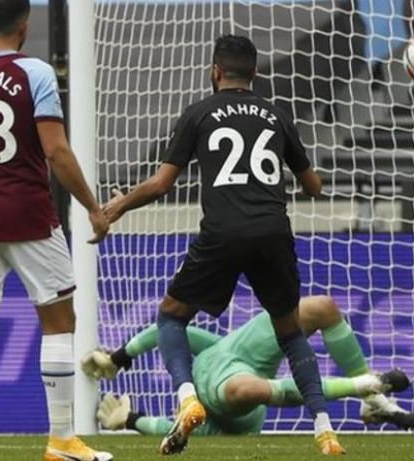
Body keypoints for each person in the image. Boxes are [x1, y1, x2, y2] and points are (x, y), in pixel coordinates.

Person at [102, 35, 343, 455]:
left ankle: (187, 398)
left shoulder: (198, 113)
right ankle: (324, 429)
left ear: (215, 71)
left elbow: (161, 184)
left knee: (171, 317)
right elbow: (314, 186)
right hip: (273, 233)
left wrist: (120, 205)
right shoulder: (276, 115)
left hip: (222, 233)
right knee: (290, 333)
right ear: (255, 73)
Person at [0, 1, 111, 460]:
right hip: (29, 216)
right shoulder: (35, 73)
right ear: (25, 26)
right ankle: (61, 439)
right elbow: (57, 151)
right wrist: (93, 207)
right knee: (59, 323)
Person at [82, 295, 414, 436]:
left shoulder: (211, 350)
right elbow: (167, 429)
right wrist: (130, 419)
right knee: (243, 389)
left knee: (321, 308)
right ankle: (366, 385)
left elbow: (167, 332)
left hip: (243, 349)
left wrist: (117, 358)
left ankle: (372, 399)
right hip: (237, 398)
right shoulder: (206, 424)